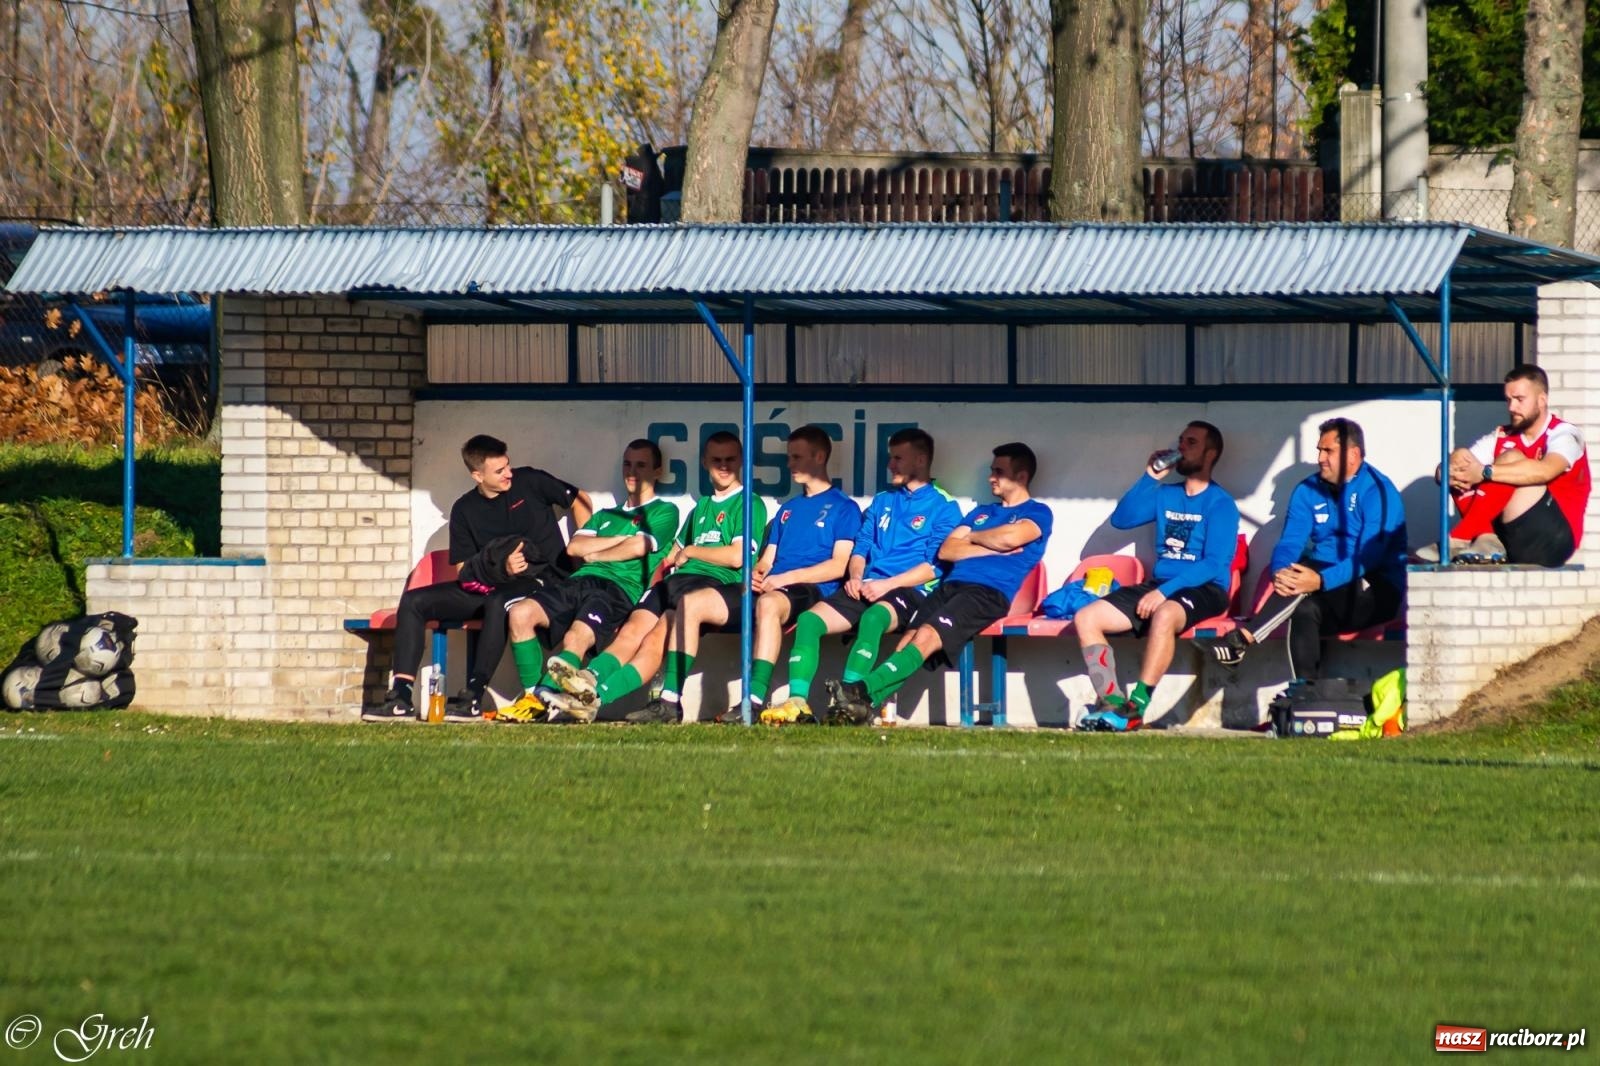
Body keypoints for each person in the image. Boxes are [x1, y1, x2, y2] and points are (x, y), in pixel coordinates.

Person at [364, 434, 591, 723]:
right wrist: (501, 567)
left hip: (543, 580)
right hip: (491, 582)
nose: (509, 474)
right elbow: (463, 571)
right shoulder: (464, 509)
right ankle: (400, 696)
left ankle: (472, 695)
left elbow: (581, 499)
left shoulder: (530, 481)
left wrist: (585, 548)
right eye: (499, 471)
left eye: (508, 465)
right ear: (477, 475)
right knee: (414, 600)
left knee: (498, 602)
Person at [544, 432, 766, 723]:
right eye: (716, 460)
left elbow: (737, 556)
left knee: (656, 640)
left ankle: (599, 697)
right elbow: (674, 552)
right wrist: (664, 566)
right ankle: (588, 677)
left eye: (730, 460)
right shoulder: (702, 507)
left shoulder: (749, 503)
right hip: (675, 582)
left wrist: (692, 552)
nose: (723, 466)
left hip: (712, 585)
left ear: (741, 461)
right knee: (632, 631)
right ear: (704, 463)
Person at [649, 425, 863, 724]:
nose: (789, 464)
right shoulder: (788, 510)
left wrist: (781, 580)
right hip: (771, 586)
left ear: (819, 456)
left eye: (796, 457)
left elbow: (838, 566)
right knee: (691, 603)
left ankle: (753, 700)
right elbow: (766, 561)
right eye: (789, 457)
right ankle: (669, 702)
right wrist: (757, 573)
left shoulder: (844, 508)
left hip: (808, 589)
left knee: (769, 604)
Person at [827, 442, 1052, 726]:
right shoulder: (981, 513)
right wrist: (988, 541)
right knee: (908, 640)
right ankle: (863, 708)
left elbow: (1010, 539)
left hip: (987, 593)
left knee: (927, 636)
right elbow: (947, 550)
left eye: (999, 471)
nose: (990, 477)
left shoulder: (1039, 512)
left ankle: (857, 691)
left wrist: (972, 538)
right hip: (951, 586)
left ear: (1020, 477)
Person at [761, 427, 962, 725]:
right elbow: (861, 547)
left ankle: (849, 702)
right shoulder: (883, 500)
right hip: (869, 586)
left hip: (911, 589)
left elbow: (934, 566)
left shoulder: (944, 505)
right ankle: (797, 702)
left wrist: (887, 584)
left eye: (897, 459)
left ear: (920, 461)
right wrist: (856, 576)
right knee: (809, 620)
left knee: (872, 619)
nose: (890, 465)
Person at [1198, 418, 1406, 679]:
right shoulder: (1308, 490)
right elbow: (1289, 543)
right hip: (1327, 588)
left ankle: (1243, 639)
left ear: (1353, 455)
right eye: (1319, 450)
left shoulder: (1378, 491)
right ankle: (1305, 693)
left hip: (1374, 588)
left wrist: (1319, 580)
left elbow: (1370, 556)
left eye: (1327, 451)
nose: (1320, 458)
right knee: (1304, 608)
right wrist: (1280, 572)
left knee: (1309, 572)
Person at [495, 439, 682, 723]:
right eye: (627, 464)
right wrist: (618, 541)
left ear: (657, 471)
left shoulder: (664, 511)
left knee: (576, 636)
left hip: (618, 589)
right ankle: (536, 700)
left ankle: (543, 695)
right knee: (520, 614)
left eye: (641, 465)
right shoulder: (605, 515)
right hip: (579, 580)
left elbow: (638, 547)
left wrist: (597, 553)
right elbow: (574, 548)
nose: (632, 471)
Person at [1072, 421, 1237, 733]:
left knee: (1164, 616)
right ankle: (1113, 703)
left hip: (1204, 588)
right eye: (1181, 441)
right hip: (1159, 586)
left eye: (1191, 442)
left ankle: (1137, 706)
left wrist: (1165, 593)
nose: (1182, 447)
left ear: (1210, 454)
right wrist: (1149, 477)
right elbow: (1122, 519)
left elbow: (1216, 563)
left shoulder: (1221, 503)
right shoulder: (1166, 495)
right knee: (1086, 618)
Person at [1416, 364, 1590, 567]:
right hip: (1510, 535)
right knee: (1461, 457)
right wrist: (1445, 471)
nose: (1511, 407)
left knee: (1508, 459)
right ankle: (1487, 539)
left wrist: (1484, 472)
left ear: (1542, 400)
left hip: (1554, 539)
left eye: (1519, 400)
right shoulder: (1502, 435)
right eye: (1508, 400)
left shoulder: (1564, 433)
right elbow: (1464, 464)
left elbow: (1546, 470)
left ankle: (1460, 536)